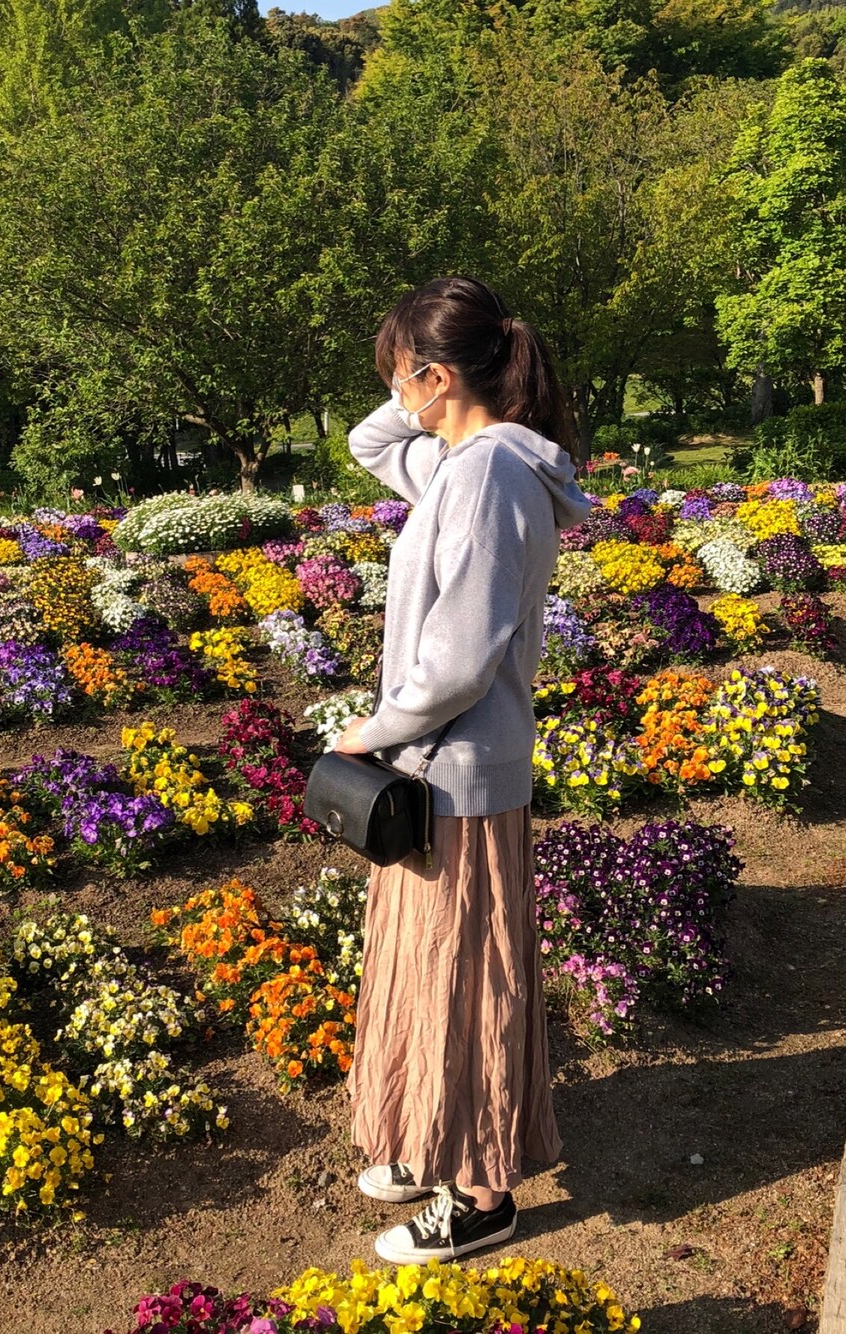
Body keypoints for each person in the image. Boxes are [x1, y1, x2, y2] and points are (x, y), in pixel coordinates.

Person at [335, 276, 592, 1266]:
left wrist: (375, 729)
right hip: (436, 767)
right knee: (431, 968)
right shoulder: (455, 463)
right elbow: (369, 443)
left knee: (467, 979)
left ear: (440, 378)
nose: (394, 396)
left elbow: (459, 658)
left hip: (459, 770)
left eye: (403, 376)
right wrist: (415, 383)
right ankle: (433, 1136)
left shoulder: (489, 477)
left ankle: (481, 1193)